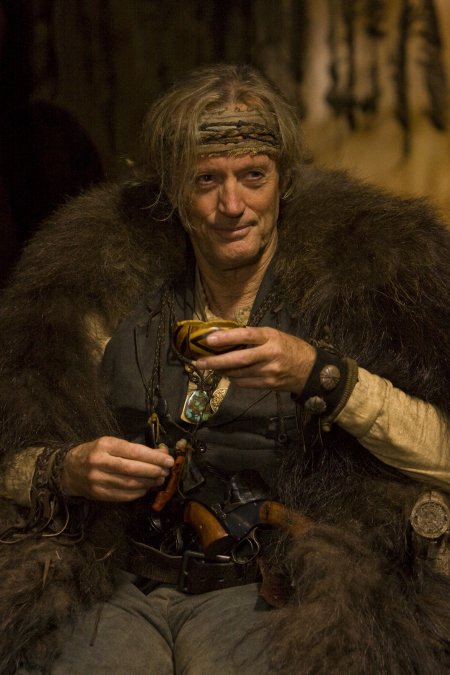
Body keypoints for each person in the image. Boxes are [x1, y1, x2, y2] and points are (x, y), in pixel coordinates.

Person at [0, 63, 450, 674]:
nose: (231, 206)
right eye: (206, 179)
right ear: (171, 192)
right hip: (117, 581)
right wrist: (67, 468)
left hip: (273, 588)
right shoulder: (104, 287)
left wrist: (323, 374)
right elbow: (15, 448)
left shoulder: (361, 288)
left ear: (284, 181)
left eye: (253, 176)